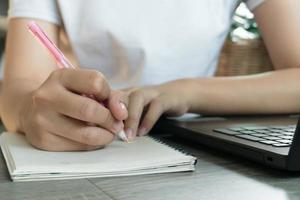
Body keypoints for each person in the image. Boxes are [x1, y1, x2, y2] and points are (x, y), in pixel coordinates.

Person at [1, 0, 300, 151]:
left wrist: (186, 92)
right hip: (87, 142)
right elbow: (18, 87)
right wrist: (30, 111)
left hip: (201, 149)